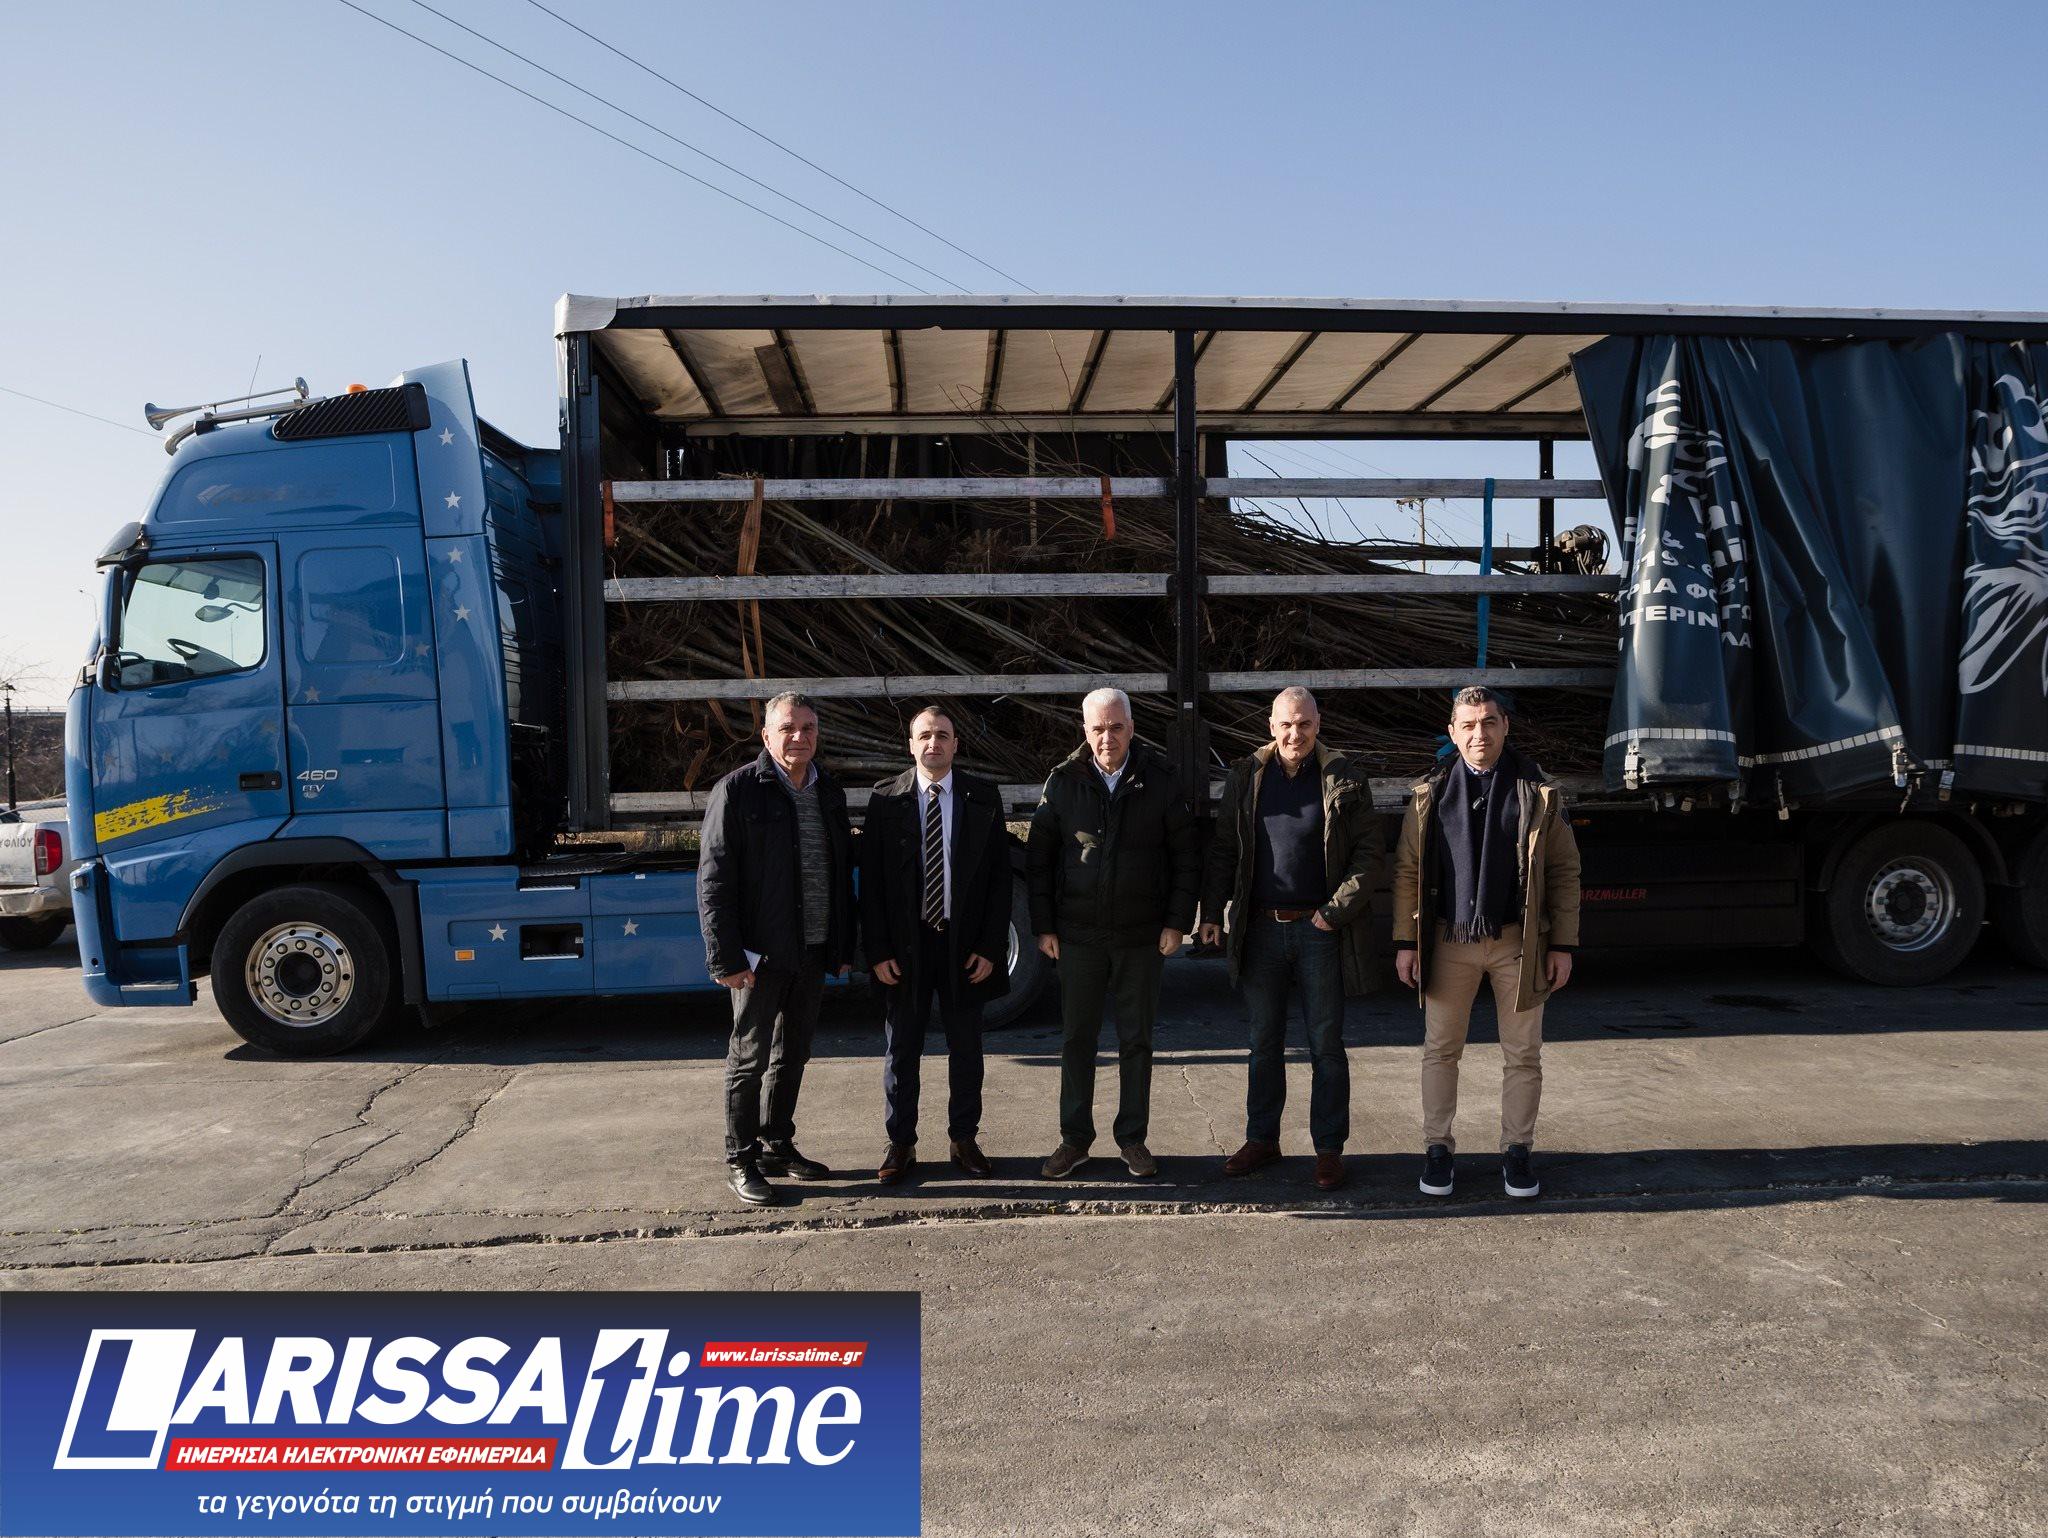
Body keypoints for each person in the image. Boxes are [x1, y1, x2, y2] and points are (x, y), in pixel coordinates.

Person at [1391, 685, 1581, 1200]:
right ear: (1453, 733)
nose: (1480, 734)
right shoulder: (1430, 794)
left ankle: (1517, 1152)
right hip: (1448, 939)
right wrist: (1407, 941)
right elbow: (1407, 870)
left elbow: (1564, 871)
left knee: (1523, 1053)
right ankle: (1437, 1150)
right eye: (1469, 725)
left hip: (1518, 940)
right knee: (1440, 1050)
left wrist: (1562, 945)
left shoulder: (1537, 791)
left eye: (1489, 722)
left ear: (1505, 727)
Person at [1198, 687, 1382, 1190]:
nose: (1294, 734)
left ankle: (1328, 1150)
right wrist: (1211, 913)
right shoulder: (1247, 776)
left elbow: (1369, 856)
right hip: (1260, 927)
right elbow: (1225, 850)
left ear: (1317, 725)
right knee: (1263, 1043)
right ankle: (1262, 1139)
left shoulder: (1345, 777)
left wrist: (1333, 913)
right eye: (1285, 724)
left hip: (1319, 929)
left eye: (1303, 724)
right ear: (1271, 727)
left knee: (1326, 1045)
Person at [1027, 687, 1200, 1180]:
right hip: (1078, 936)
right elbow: (1038, 860)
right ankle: (1074, 1140)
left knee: (1136, 1042)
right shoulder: (1063, 782)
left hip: (1140, 938)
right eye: (1098, 729)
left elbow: (1186, 858)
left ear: (1131, 728)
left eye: (1116, 727)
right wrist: (1043, 926)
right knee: (1077, 1040)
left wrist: (1176, 922)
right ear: (1085, 732)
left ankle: (1133, 1139)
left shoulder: (1160, 780)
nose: (1108, 738)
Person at [697, 692, 856, 1207]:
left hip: (813, 949)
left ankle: (776, 1143)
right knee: (749, 1058)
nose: (799, 737)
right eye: (788, 728)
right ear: (766, 735)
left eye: (808, 728)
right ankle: (740, 1158)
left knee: (793, 1054)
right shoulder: (738, 790)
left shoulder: (828, 791)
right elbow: (714, 880)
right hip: (760, 955)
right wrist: (726, 957)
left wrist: (841, 945)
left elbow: (840, 874)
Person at [859, 705, 1012, 1184]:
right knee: (902, 1049)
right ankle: (900, 1143)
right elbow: (872, 885)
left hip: (963, 947)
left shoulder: (982, 797)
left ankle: (964, 1140)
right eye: (924, 735)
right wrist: (878, 951)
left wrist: (990, 947)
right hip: (905, 949)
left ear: (955, 744)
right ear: (911, 745)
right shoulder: (886, 799)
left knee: (966, 1048)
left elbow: (1000, 880)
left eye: (942, 735)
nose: (933, 743)